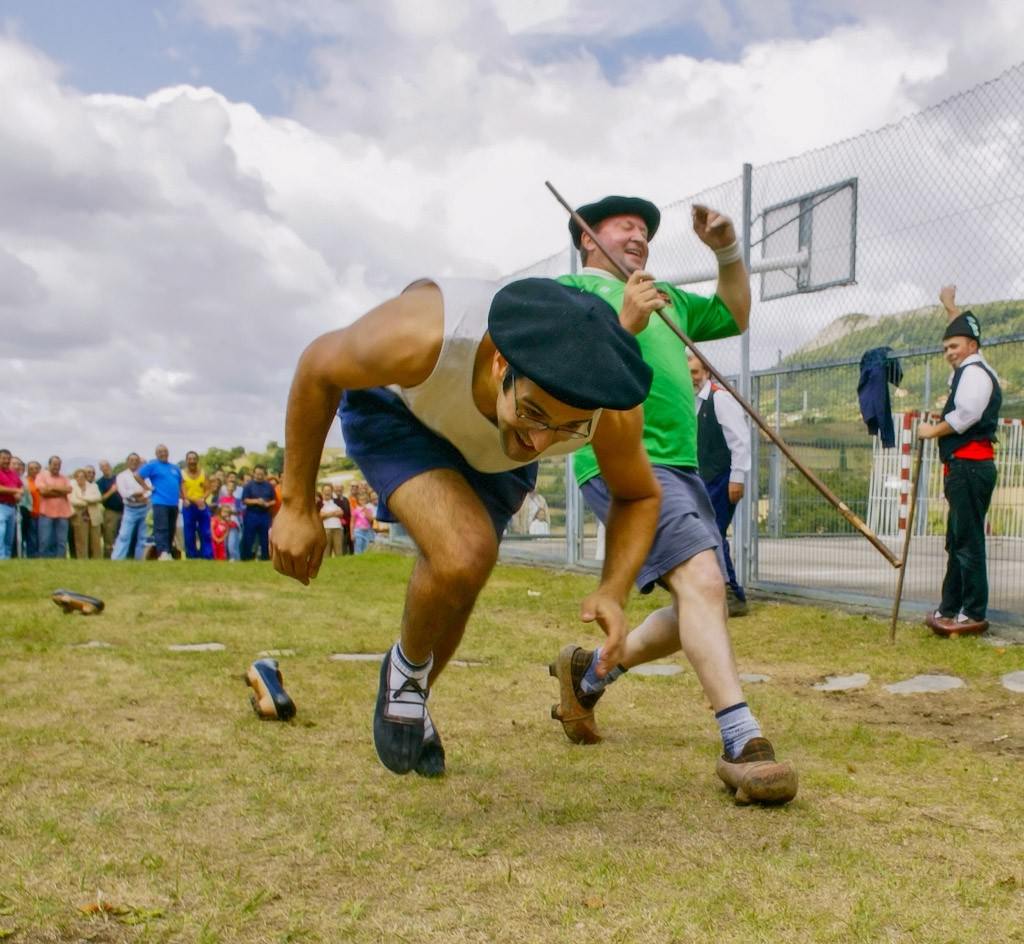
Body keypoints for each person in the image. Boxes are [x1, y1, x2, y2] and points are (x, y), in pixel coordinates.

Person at [272, 276, 658, 779]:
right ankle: (406, 675)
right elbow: (318, 365)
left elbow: (639, 495)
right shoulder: (424, 335)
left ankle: (412, 691)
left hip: (493, 454)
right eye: (534, 411)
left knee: (463, 575)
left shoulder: (608, 414)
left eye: (567, 428)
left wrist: (613, 589)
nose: (542, 442)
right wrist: (297, 503)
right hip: (401, 411)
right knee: (464, 551)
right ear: (501, 362)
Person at [550, 194, 797, 805]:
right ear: (587, 237)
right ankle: (742, 741)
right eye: (623, 225)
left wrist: (727, 251)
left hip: (680, 465)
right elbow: (565, 371)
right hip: (619, 456)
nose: (639, 234)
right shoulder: (569, 293)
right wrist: (623, 322)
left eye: (645, 229)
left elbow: (735, 314)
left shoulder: (665, 298)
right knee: (706, 583)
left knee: (694, 601)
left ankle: (589, 674)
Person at [919, 285, 1002, 636]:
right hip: (962, 467)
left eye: (954, 346)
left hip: (970, 466)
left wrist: (931, 431)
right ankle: (950, 606)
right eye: (945, 348)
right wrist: (950, 308)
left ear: (972, 346)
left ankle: (972, 611)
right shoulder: (969, 367)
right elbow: (965, 327)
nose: (948, 353)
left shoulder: (976, 373)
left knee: (967, 541)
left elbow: (966, 415)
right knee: (957, 540)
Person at [689, 352, 752, 617]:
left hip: (722, 478)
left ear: (706, 372)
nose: (690, 376)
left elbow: (740, 440)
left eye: (693, 371)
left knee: (712, 533)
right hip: (704, 478)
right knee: (707, 534)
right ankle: (718, 591)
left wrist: (737, 478)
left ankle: (732, 593)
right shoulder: (692, 402)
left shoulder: (720, 398)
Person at [136, 445, 182, 560]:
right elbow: (138, 475)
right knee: (161, 528)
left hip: (173, 503)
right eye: (160, 452)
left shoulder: (175, 468)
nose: (163, 453)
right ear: (156, 454)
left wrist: (183, 497)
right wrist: (146, 487)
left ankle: (168, 551)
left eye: (165, 451)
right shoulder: (153, 465)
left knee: (171, 528)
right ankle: (162, 552)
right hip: (160, 501)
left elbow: (180, 483)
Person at [112, 453, 150, 560]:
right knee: (124, 535)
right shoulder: (121, 476)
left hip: (144, 508)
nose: (134, 462)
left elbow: (149, 490)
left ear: (139, 462)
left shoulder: (144, 476)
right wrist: (137, 494)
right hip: (130, 509)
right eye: (131, 460)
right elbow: (123, 493)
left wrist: (141, 495)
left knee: (143, 537)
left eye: (136, 460)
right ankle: (117, 559)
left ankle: (140, 559)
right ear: (127, 462)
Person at [35, 455, 73, 558]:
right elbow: (43, 492)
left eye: (59, 465)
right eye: (54, 464)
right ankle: (44, 562)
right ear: (49, 465)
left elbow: (69, 490)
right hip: (46, 513)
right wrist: (61, 491)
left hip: (63, 513)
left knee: (62, 541)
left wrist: (51, 488)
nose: (57, 467)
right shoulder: (41, 476)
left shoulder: (64, 477)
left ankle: (60, 561)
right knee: (45, 540)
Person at [181, 450, 213, 559]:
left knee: (206, 531)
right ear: (186, 461)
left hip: (202, 505)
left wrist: (203, 498)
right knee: (189, 532)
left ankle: (207, 554)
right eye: (190, 459)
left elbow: (208, 489)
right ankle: (191, 555)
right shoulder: (182, 474)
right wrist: (194, 500)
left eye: (194, 459)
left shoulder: (203, 473)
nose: (192, 461)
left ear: (197, 460)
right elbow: (182, 492)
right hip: (189, 505)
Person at [240, 465, 275, 560]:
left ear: (264, 474)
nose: (259, 476)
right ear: (254, 473)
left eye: (261, 474)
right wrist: (256, 501)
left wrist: (268, 504)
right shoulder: (248, 486)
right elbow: (244, 500)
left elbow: (274, 500)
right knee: (248, 537)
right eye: (257, 474)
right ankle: (246, 557)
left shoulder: (269, 486)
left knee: (265, 538)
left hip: (264, 514)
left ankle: (265, 557)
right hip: (251, 514)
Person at [69, 468, 104, 558]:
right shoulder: (72, 486)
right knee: (81, 540)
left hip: (94, 515)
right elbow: (73, 500)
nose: (81, 478)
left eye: (83, 476)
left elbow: (98, 498)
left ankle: (97, 559)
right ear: (75, 477)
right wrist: (88, 501)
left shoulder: (93, 486)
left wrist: (83, 498)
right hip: (79, 515)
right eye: (78, 477)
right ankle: (82, 559)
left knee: (95, 540)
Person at [96, 460, 123, 558]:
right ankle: (108, 557)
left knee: (123, 536)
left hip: (124, 511)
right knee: (109, 536)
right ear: (100, 469)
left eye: (106, 466)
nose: (105, 468)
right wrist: (111, 491)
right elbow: (100, 498)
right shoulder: (100, 482)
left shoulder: (119, 478)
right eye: (102, 467)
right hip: (111, 512)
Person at [0, 449, 23, 559]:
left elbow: (21, 486)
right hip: (1, 506)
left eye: (8, 458)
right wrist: (15, 491)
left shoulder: (13, 474)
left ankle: (6, 561)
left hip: (11, 507)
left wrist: (19, 493)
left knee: (9, 537)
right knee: (1, 533)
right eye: (3, 458)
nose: (6, 461)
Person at [19, 460, 40, 558]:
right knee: (32, 538)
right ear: (27, 470)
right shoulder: (25, 481)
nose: (34, 470)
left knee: (42, 539)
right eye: (31, 468)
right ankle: (32, 558)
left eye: (36, 468)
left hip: (43, 514)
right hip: (31, 513)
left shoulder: (42, 481)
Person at [318, 484, 346, 557]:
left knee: (338, 551)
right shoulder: (319, 503)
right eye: (326, 490)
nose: (327, 492)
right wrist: (333, 513)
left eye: (329, 490)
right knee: (326, 552)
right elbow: (320, 516)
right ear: (322, 492)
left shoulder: (337, 501)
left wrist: (327, 514)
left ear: (332, 491)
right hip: (325, 529)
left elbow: (342, 513)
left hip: (337, 528)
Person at [351, 483, 376, 554]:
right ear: (358, 500)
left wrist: (366, 511)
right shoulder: (355, 510)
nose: (363, 501)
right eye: (361, 500)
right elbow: (352, 522)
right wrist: (352, 534)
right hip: (358, 531)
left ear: (366, 500)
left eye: (364, 500)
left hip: (367, 531)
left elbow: (371, 520)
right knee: (358, 548)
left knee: (366, 548)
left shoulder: (369, 509)